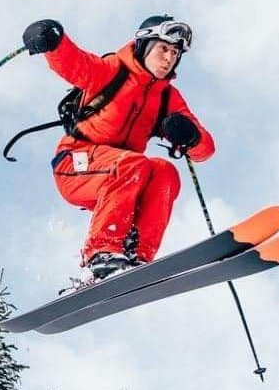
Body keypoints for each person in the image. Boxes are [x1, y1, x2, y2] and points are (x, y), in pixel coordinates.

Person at [22, 15, 215, 279]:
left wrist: (191, 137)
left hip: (123, 180)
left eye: (175, 53)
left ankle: (136, 254)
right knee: (132, 163)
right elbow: (75, 64)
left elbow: (205, 150)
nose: (169, 58)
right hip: (76, 163)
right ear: (145, 46)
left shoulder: (167, 97)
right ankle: (102, 251)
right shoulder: (112, 70)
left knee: (164, 171)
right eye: (163, 49)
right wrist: (53, 41)